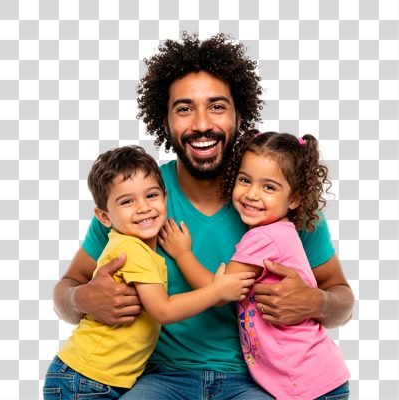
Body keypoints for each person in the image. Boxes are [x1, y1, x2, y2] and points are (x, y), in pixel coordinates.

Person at [53, 33, 354, 399]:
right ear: (164, 121)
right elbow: (68, 285)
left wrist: (318, 303)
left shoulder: (278, 203)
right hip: (161, 377)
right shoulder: (139, 200)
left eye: (217, 106)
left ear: (239, 115)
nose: (201, 124)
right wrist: (81, 300)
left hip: (254, 381)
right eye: (184, 109)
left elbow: (341, 296)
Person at [43, 145, 255, 399]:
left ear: (165, 197)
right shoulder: (132, 251)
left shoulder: (140, 249)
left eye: (151, 196)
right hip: (85, 379)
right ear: (104, 217)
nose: (143, 207)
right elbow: (163, 310)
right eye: (127, 201)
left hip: (101, 378)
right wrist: (217, 290)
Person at [159, 130, 351, 399]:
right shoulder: (280, 231)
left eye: (269, 187)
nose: (251, 194)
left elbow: (218, 292)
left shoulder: (263, 238)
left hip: (309, 384)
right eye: (245, 180)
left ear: (294, 199)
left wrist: (182, 254)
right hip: (314, 379)